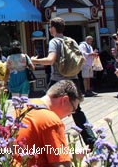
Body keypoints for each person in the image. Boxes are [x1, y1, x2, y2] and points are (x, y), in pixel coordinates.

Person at [31, 16, 96, 149]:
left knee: (45, 107)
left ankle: (46, 140)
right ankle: (91, 140)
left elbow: (50, 60)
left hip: (58, 81)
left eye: (50, 27)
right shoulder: (71, 40)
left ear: (53, 28)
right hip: (74, 79)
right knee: (77, 111)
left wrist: (34, 60)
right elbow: (81, 59)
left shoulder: (55, 41)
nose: (50, 29)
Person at [15, 80, 83, 167]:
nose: (70, 115)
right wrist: (86, 163)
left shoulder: (23, 108)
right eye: (73, 109)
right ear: (64, 100)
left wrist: (69, 155)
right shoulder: (51, 121)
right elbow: (62, 165)